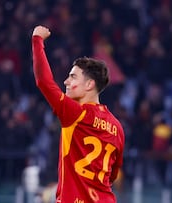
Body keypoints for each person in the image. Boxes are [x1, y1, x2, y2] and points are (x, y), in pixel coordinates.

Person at [31, 25, 125, 203]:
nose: (66, 81)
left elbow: (44, 81)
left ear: (89, 84)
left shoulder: (76, 114)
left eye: (73, 77)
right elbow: (112, 176)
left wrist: (37, 40)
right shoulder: (117, 127)